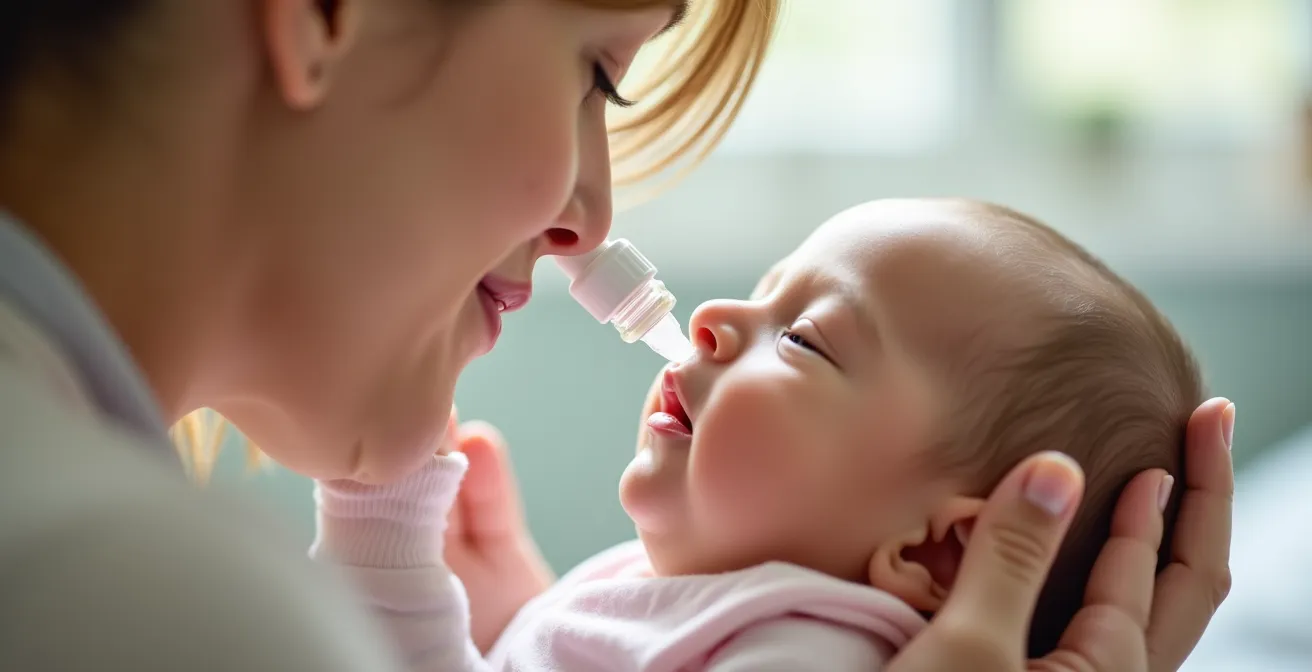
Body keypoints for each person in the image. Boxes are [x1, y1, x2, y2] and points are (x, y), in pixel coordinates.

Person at [0, 1, 1233, 670]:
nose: (589, 218)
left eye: (805, 341)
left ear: (939, 549)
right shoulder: (118, 595)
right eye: (597, 69)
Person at [312, 198, 1216, 669]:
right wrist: (511, 625)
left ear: (938, 553)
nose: (712, 317)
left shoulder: (808, 651)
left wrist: (381, 526)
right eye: (766, 284)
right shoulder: (700, 594)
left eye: (803, 339)